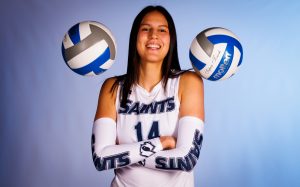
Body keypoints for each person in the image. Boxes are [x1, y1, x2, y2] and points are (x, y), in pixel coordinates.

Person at [91, 5, 205, 187]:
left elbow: (187, 159)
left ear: (171, 39)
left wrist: (124, 155)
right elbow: (101, 159)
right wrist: (161, 143)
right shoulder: (112, 88)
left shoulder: (188, 82)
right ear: (135, 37)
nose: (154, 35)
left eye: (162, 30)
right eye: (145, 29)